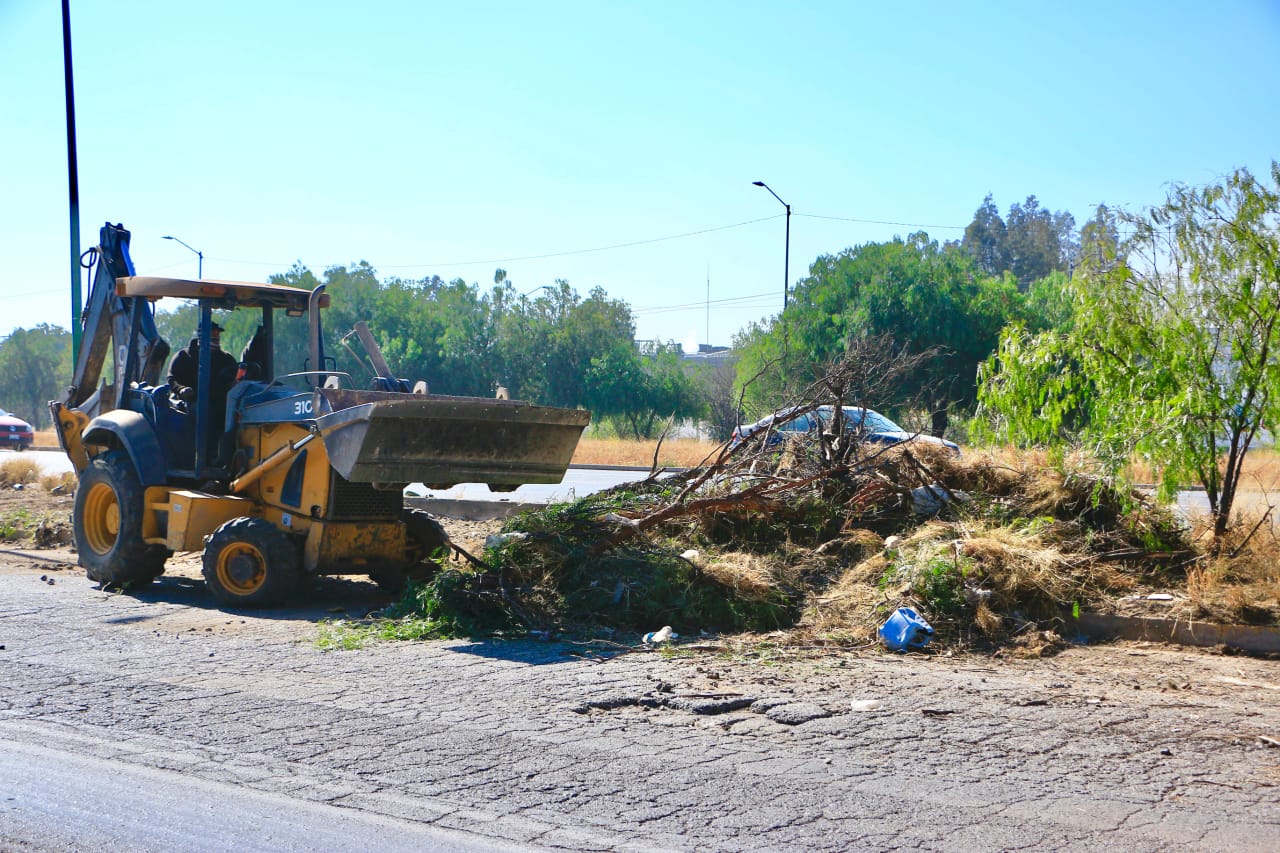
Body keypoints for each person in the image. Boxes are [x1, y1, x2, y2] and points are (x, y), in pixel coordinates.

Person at [167, 322, 238, 406]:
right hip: (191, 403)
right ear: (202, 335)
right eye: (213, 333)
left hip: (222, 404)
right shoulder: (183, 356)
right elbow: (172, 379)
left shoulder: (226, 359)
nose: (216, 336)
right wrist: (181, 389)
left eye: (217, 333)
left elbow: (236, 378)